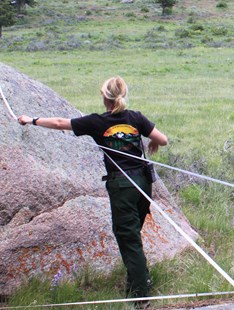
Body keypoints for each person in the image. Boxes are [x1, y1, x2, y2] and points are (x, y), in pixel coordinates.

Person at [18, 76, 168, 306]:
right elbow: (162, 139)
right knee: (132, 235)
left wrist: (31, 120)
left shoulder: (97, 122)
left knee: (128, 239)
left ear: (103, 96)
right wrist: (152, 143)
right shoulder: (136, 117)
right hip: (144, 184)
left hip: (122, 186)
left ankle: (141, 296)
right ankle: (135, 283)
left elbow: (60, 123)